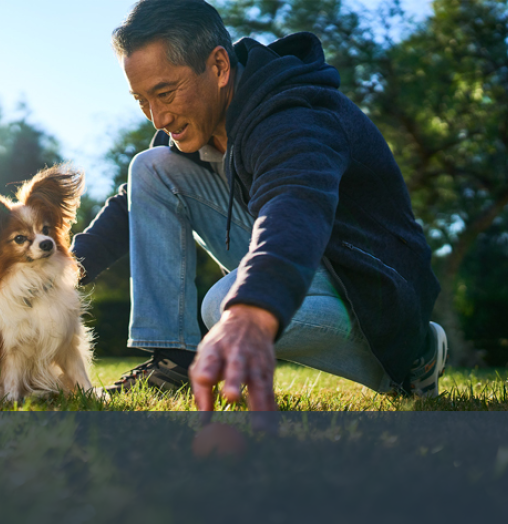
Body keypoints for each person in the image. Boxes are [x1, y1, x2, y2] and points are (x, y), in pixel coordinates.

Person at [72, 0, 447, 410]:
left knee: (222, 305)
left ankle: (415, 354)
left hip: (371, 281)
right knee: (150, 167)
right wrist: (60, 274)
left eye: (165, 93)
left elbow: (295, 205)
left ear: (218, 67)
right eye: (142, 100)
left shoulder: (293, 114)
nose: (157, 117)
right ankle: (174, 364)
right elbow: (131, 208)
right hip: (298, 261)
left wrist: (250, 307)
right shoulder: (191, 130)